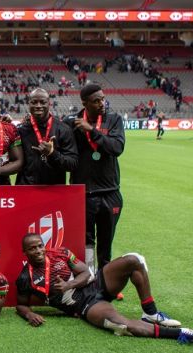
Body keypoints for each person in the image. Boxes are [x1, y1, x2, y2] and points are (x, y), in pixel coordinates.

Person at [15, 233, 193, 345]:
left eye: (40, 246)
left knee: (133, 260)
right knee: (122, 326)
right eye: (32, 249)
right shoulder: (25, 277)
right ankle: (182, 334)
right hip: (86, 305)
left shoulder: (60, 252)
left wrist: (69, 284)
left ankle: (150, 313)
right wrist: (29, 315)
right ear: (25, 252)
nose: (38, 250)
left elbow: (86, 273)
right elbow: (21, 305)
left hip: (96, 284)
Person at [63, 84, 125, 286]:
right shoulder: (71, 122)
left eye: (103, 99)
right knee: (86, 242)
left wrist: (93, 131)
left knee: (106, 243)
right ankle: (88, 280)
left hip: (110, 192)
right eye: (96, 100)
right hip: (84, 193)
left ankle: (106, 283)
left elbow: (116, 148)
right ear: (84, 103)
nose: (102, 103)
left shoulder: (113, 119)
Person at [16, 88, 78, 185]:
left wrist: (52, 153)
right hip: (26, 190)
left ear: (49, 103)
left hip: (54, 191)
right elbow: (14, 161)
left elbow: (73, 164)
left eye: (42, 102)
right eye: (34, 102)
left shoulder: (63, 129)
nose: (38, 106)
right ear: (29, 104)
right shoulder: (20, 130)